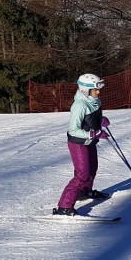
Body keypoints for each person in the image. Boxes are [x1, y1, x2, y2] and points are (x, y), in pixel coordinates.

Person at [53, 73, 111, 215]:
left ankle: (84, 192)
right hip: (78, 143)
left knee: (92, 169)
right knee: (82, 174)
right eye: (95, 89)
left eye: (98, 89)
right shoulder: (79, 105)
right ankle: (64, 207)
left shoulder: (94, 100)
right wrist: (92, 133)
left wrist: (100, 120)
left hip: (90, 141)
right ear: (86, 90)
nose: (98, 92)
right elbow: (73, 130)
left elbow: (91, 118)